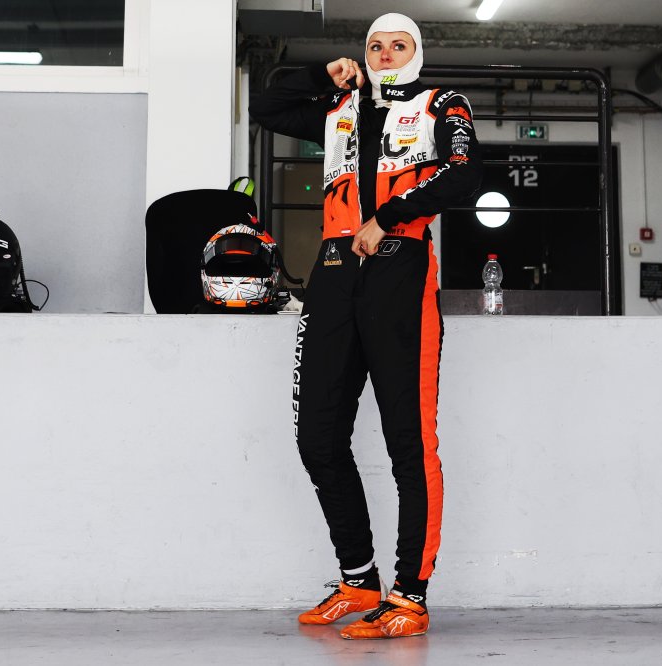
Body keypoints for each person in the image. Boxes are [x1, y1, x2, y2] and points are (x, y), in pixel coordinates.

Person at [251, 12, 482, 640]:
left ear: (416, 53)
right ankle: (358, 579)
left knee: (409, 443)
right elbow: (266, 107)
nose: (384, 53)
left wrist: (390, 216)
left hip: (400, 269)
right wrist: (319, 75)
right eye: (375, 45)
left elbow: (465, 172)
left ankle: (410, 596)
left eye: (398, 45)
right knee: (318, 438)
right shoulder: (338, 107)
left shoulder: (441, 103)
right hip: (332, 274)